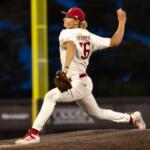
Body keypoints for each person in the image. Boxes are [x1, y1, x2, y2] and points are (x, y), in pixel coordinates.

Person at [15, 7, 146, 145]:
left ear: (76, 20)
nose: (64, 19)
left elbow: (71, 46)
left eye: (68, 17)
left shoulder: (66, 33)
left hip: (77, 82)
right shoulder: (88, 35)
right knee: (97, 113)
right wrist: (122, 22)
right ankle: (131, 118)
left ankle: (33, 134)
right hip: (83, 82)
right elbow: (115, 41)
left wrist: (64, 69)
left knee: (50, 97)